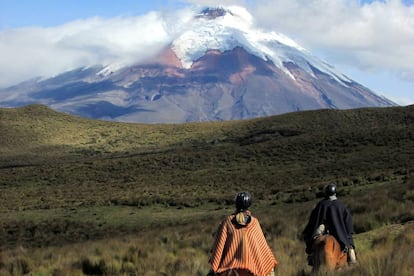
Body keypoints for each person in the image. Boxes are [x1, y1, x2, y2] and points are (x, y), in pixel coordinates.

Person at [208, 191, 279, 276]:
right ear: (249, 205)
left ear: (236, 204)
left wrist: (214, 266)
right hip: (254, 269)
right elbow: (262, 247)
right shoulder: (254, 222)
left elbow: (219, 247)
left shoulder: (227, 222)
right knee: (269, 270)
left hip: (230, 268)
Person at [302, 183, 357, 266]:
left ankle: (311, 256)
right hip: (338, 230)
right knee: (349, 244)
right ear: (335, 192)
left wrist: (309, 232)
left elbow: (313, 221)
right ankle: (352, 261)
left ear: (326, 193)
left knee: (312, 239)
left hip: (322, 228)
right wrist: (348, 232)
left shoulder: (321, 204)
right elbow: (347, 221)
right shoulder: (340, 205)